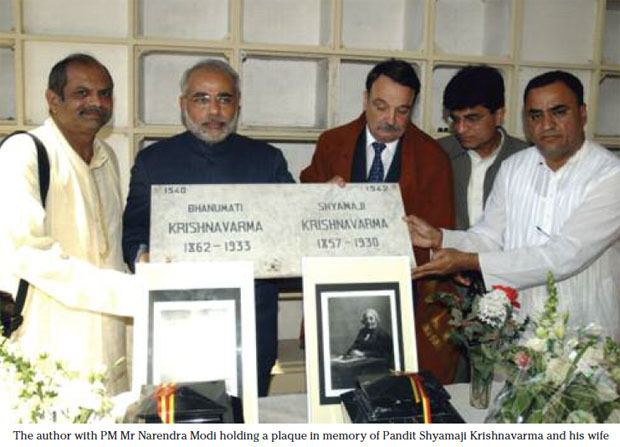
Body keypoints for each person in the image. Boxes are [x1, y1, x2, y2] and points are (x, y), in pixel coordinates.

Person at [122, 59, 295, 396]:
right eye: (201, 98)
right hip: (178, 325)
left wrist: (326, 200)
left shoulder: (267, 160)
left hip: (251, 330)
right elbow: (133, 234)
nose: (214, 110)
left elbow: (292, 235)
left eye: (224, 99)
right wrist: (143, 258)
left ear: (237, 105)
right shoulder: (153, 161)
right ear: (183, 104)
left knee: (244, 422)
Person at [406, 71, 620, 342]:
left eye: (559, 112)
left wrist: (470, 261)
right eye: (535, 115)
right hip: (519, 329)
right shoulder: (514, 167)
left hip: (586, 329)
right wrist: (441, 237)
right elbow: (490, 236)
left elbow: (565, 256)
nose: (547, 124)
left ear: (583, 113)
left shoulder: (610, 175)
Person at [300, 59, 458, 383]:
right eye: (381, 106)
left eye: (402, 111)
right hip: (335, 284)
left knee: (396, 391)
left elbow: (442, 241)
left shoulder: (433, 159)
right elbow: (300, 213)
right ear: (365, 100)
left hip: (404, 296)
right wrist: (321, 198)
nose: (390, 120)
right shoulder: (332, 142)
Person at [0, 54, 138, 394]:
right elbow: (29, 254)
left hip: (109, 348)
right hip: (48, 346)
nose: (96, 102)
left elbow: (111, 255)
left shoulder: (108, 158)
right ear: (53, 99)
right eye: (82, 93)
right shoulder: (23, 153)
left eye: (105, 93)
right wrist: (132, 294)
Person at [438, 65, 528, 230]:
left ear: (499, 115)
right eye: (455, 119)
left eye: (472, 118)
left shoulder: (526, 160)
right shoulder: (437, 155)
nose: (461, 129)